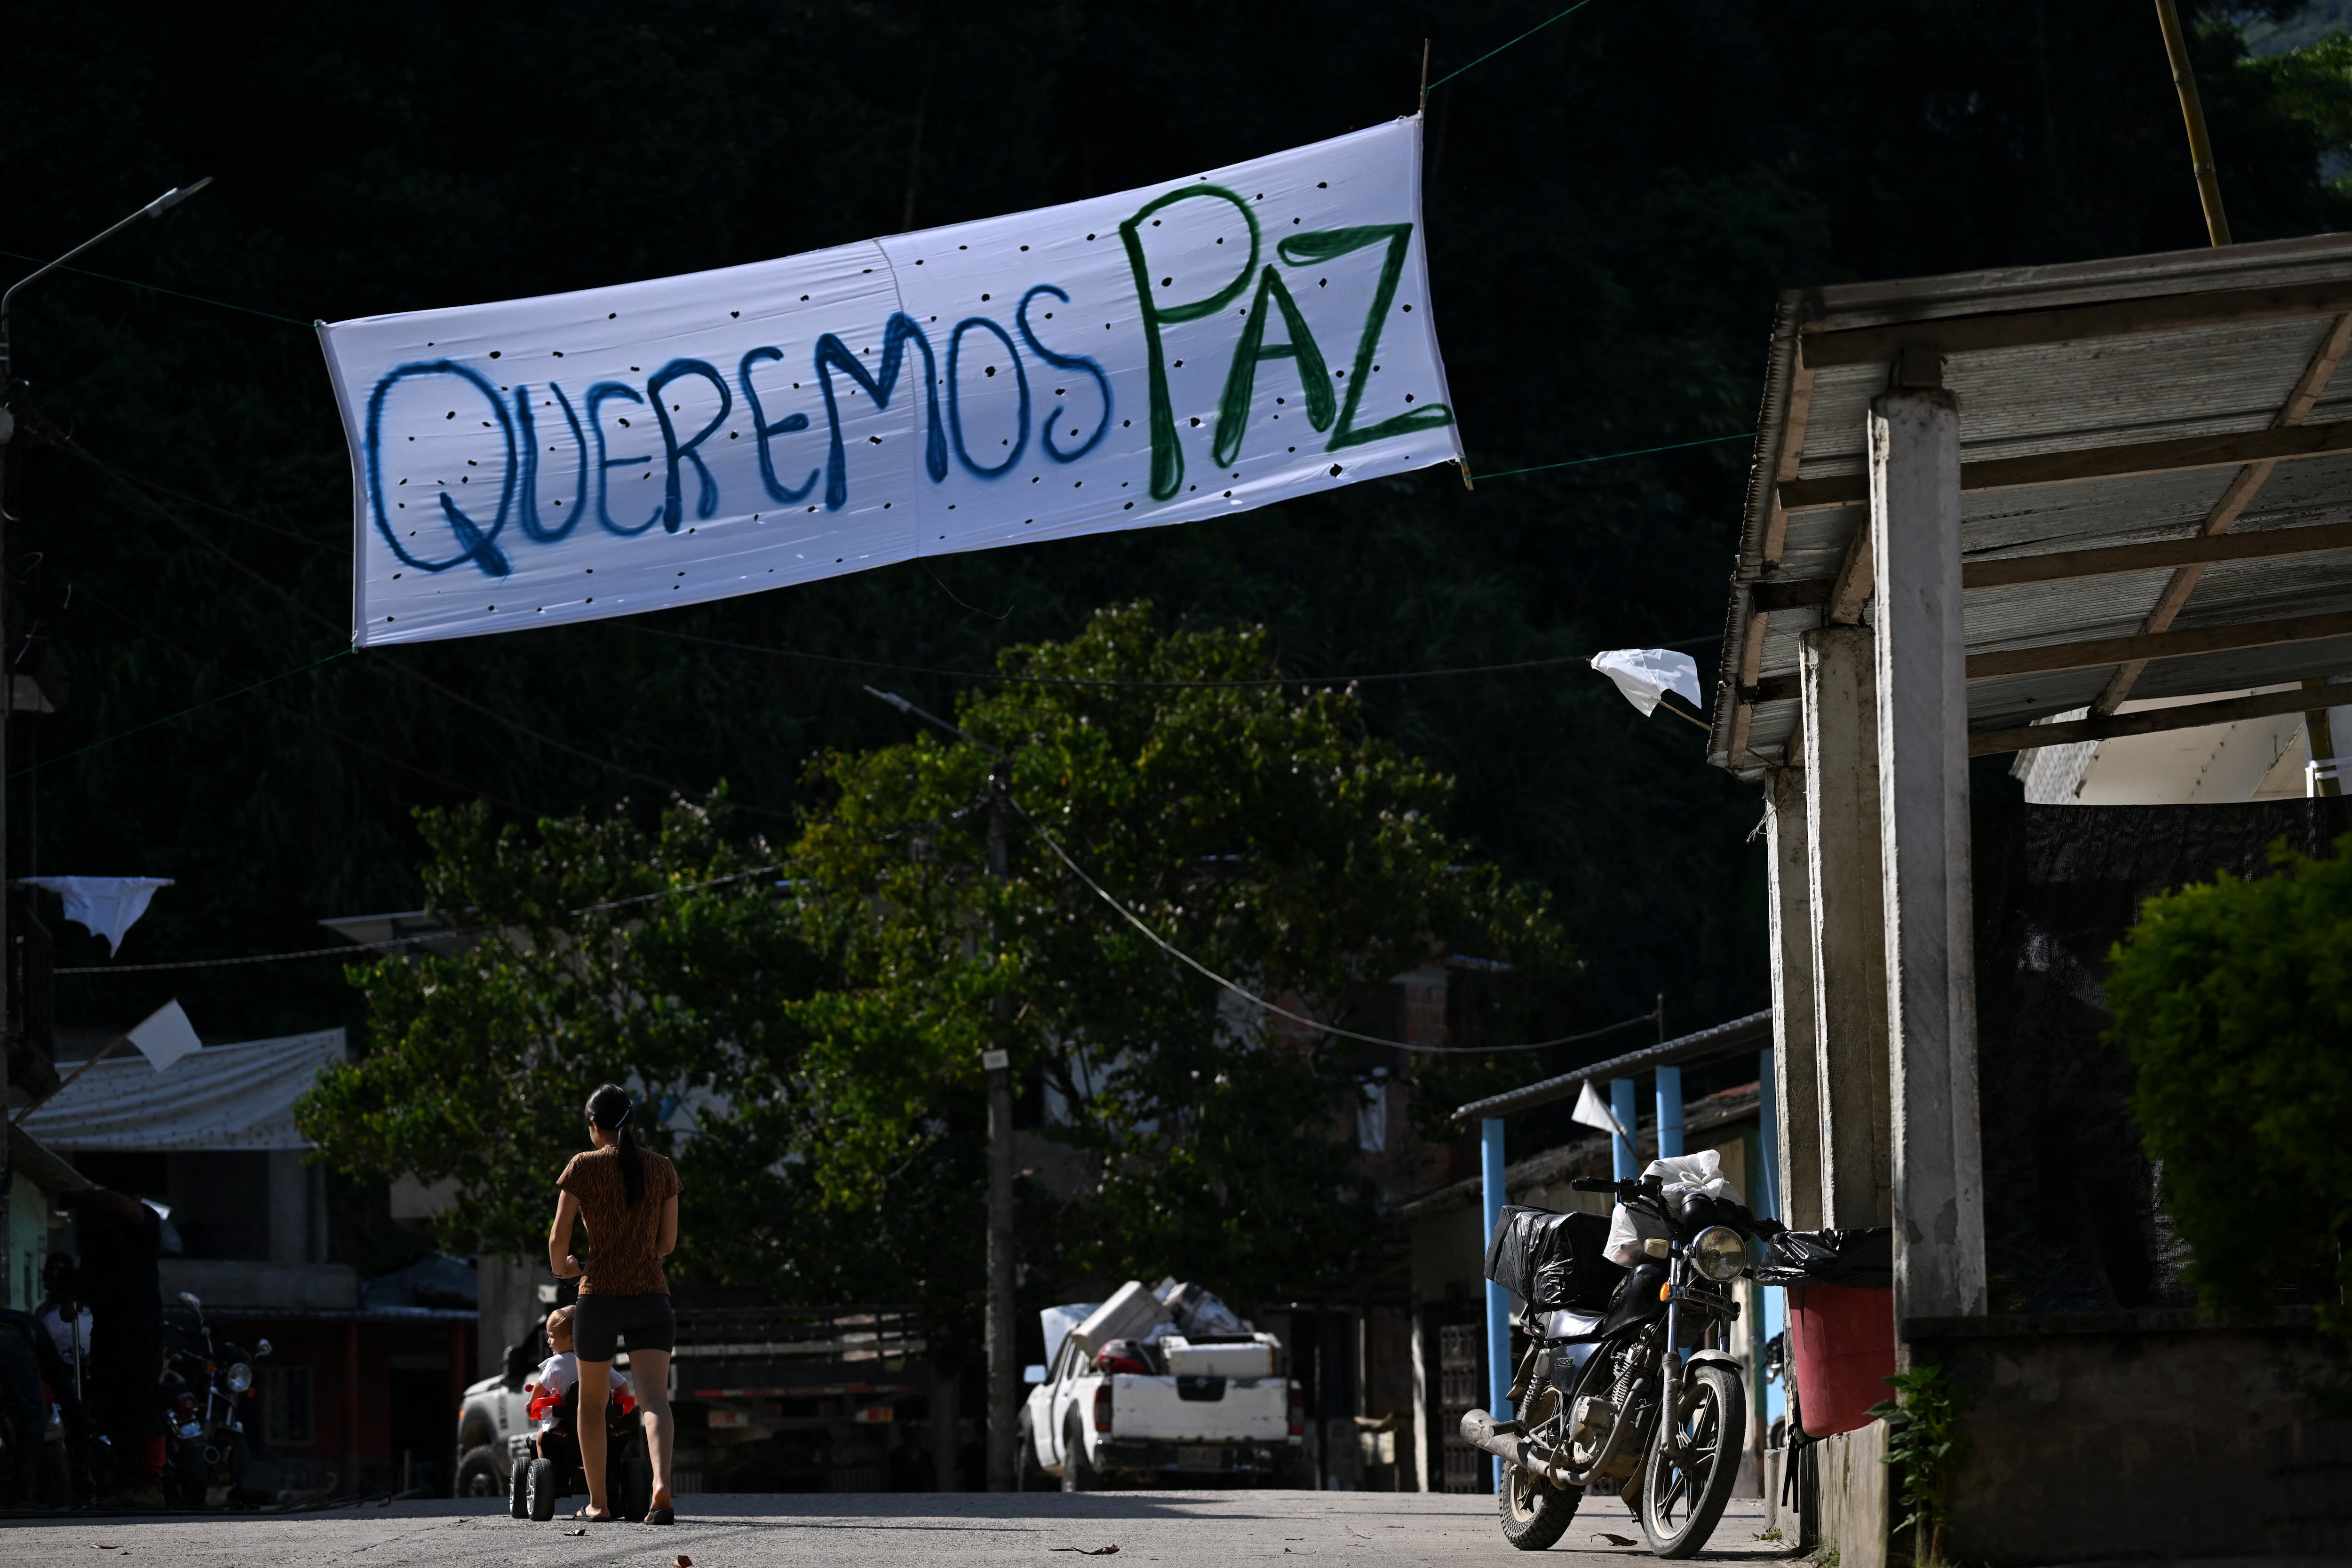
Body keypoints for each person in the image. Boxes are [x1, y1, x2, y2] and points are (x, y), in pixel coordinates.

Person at [548, 1084, 681, 1524]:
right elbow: (667, 1244)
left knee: (591, 1402)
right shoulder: (663, 1169)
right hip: (650, 1296)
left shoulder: (582, 1167)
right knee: (654, 1401)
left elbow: (558, 1240)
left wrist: (566, 1269)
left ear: (593, 1125)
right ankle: (661, 1484)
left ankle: (599, 1504)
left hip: (599, 1296)